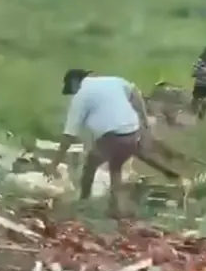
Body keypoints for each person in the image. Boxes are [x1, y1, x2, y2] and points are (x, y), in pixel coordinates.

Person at [45, 69, 178, 218]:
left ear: (75, 82)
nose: (72, 93)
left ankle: (83, 201)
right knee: (116, 166)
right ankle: (117, 208)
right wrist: (145, 118)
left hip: (113, 136)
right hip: (132, 132)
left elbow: (69, 135)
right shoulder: (114, 81)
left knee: (90, 164)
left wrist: (54, 163)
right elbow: (135, 93)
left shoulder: (80, 97)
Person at [191, 45, 206, 119]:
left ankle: (194, 110)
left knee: (196, 97)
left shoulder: (201, 60)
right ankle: (201, 113)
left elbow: (195, 71)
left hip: (200, 83)